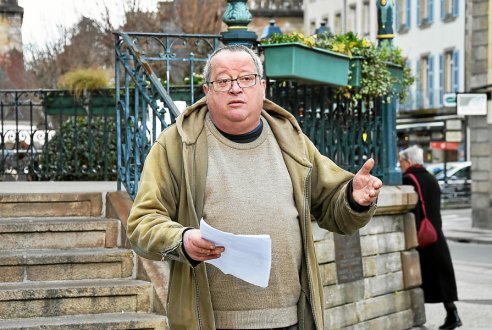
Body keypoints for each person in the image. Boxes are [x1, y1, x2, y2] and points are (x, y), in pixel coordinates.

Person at [127, 44, 382, 330]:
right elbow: (142, 223)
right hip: (211, 322)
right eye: (223, 81)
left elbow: (335, 208)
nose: (235, 88)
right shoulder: (176, 145)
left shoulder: (292, 141)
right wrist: (182, 239)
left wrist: (354, 198)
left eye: (246, 79)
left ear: (262, 87)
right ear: (207, 91)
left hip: (290, 320)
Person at [399, 145, 462, 330]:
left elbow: (415, 211)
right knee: (442, 277)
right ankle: (452, 314)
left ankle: (417, 319)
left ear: (409, 161)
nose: (400, 165)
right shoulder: (432, 179)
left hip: (422, 238)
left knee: (418, 279)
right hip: (436, 235)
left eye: (401, 161)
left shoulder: (408, 179)